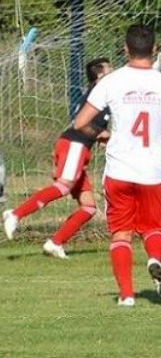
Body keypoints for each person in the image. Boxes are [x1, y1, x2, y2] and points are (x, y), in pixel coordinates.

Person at [73, 25, 161, 307]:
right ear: (154, 50)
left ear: (125, 49)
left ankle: (126, 296)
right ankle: (154, 260)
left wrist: (103, 134)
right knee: (153, 229)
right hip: (152, 170)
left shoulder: (111, 81)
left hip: (119, 170)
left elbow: (80, 123)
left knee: (121, 234)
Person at [3, 58, 112, 259]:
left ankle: (55, 243)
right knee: (63, 186)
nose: (113, 72)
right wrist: (99, 134)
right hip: (74, 145)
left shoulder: (102, 95)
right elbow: (82, 125)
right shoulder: (98, 93)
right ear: (100, 75)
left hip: (78, 148)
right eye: (109, 69)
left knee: (88, 207)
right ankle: (15, 214)